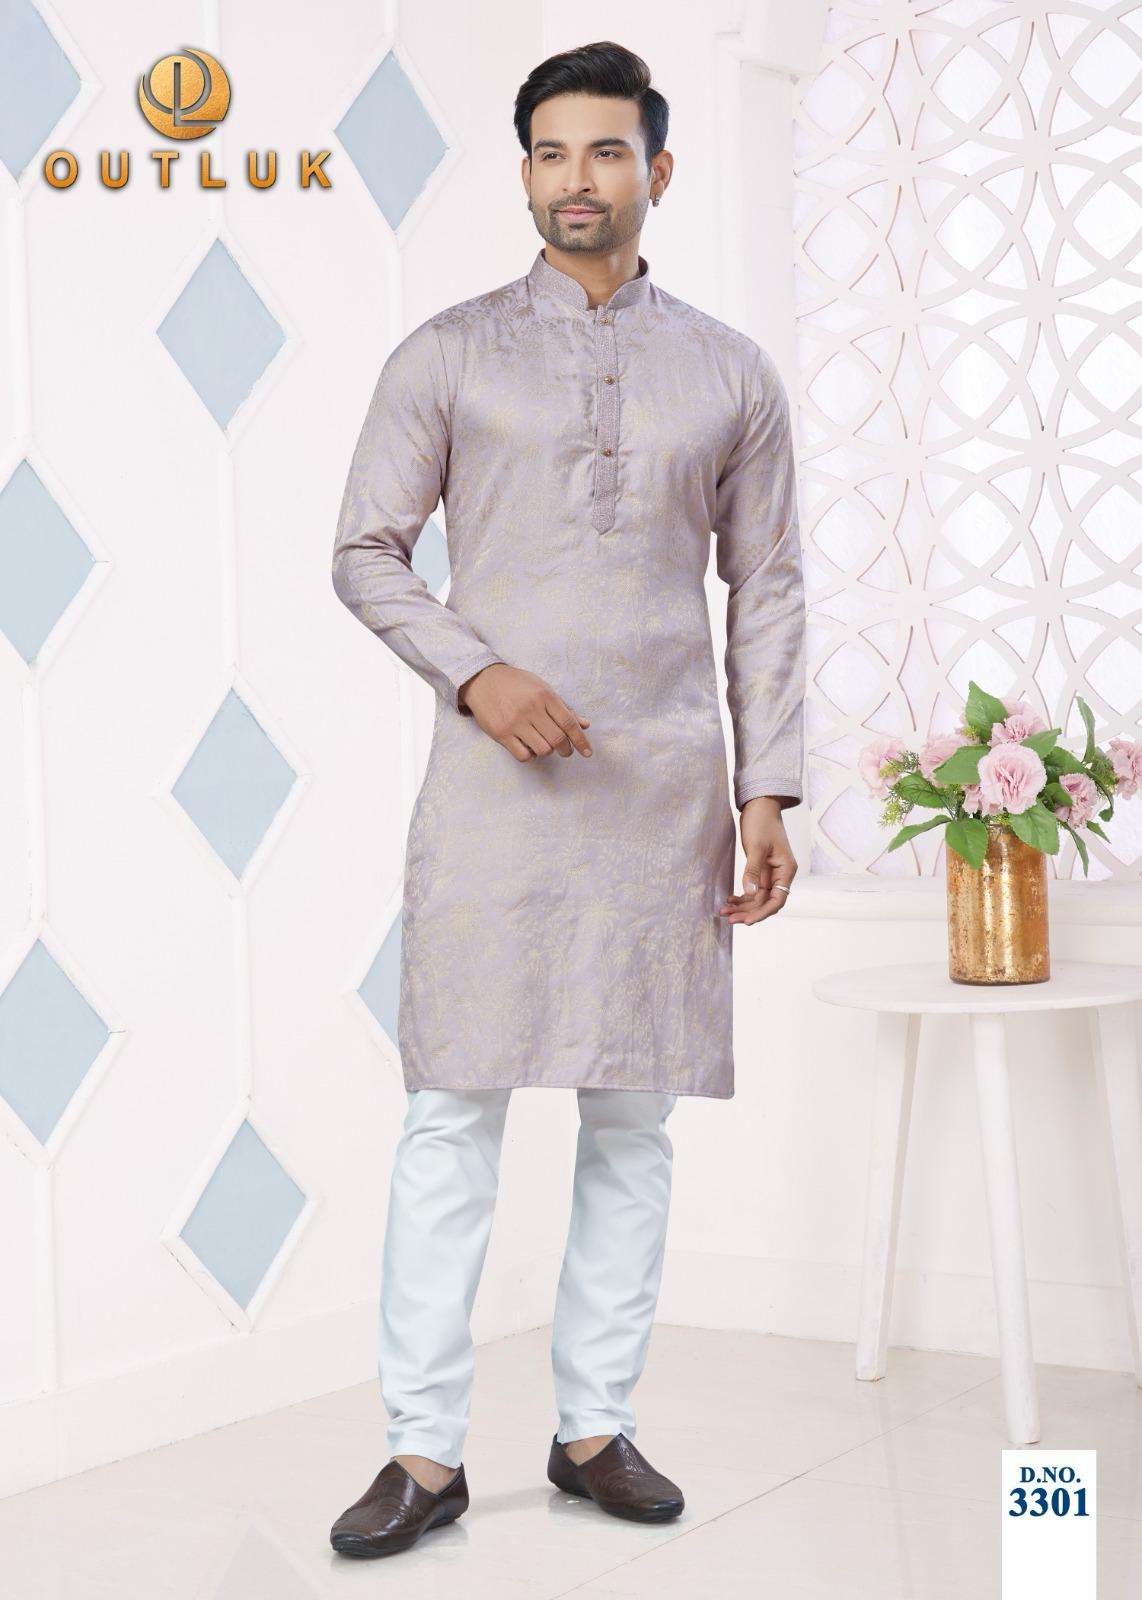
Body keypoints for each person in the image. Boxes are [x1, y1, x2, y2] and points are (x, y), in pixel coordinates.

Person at [327, 39, 806, 1559]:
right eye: (550, 153)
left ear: (656, 170)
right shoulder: (449, 353)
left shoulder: (728, 370)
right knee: (450, 1110)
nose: (576, 179)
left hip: (661, 784)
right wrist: (477, 675)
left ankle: (593, 1426)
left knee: (631, 1114)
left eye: (606, 152)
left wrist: (769, 787)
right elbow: (364, 552)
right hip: (493, 787)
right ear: (524, 170)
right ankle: (420, 1452)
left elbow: (767, 586)